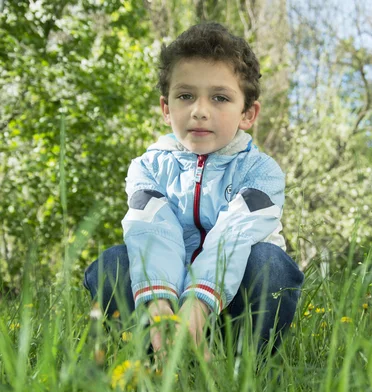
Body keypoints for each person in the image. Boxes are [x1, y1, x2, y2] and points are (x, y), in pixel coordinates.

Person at [83, 22, 304, 358]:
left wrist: (199, 304)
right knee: (112, 262)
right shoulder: (147, 168)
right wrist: (160, 308)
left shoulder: (262, 173)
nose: (200, 110)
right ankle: (152, 353)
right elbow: (151, 232)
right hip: (166, 302)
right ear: (166, 107)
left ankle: (246, 365)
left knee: (269, 262)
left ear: (248, 113)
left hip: (228, 305)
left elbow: (235, 234)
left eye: (220, 97)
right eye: (186, 96)